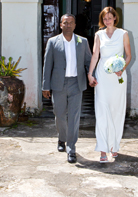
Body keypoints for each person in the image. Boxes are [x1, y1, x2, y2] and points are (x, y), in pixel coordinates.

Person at [42, 14, 94, 164]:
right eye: (65, 23)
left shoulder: (82, 42)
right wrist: (45, 86)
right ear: (60, 25)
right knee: (59, 114)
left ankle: (71, 148)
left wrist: (92, 76)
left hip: (76, 84)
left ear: (75, 25)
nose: (68, 25)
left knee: (74, 117)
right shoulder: (53, 42)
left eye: (71, 23)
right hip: (58, 84)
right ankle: (62, 138)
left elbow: (89, 61)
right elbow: (47, 66)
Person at [88, 6, 132, 163]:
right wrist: (90, 74)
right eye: (104, 18)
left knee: (116, 111)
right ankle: (102, 148)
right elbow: (95, 55)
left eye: (109, 18)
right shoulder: (99, 34)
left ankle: (114, 145)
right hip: (102, 76)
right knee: (101, 110)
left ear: (115, 18)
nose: (107, 21)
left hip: (118, 76)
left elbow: (128, 55)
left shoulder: (123, 34)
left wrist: (122, 68)